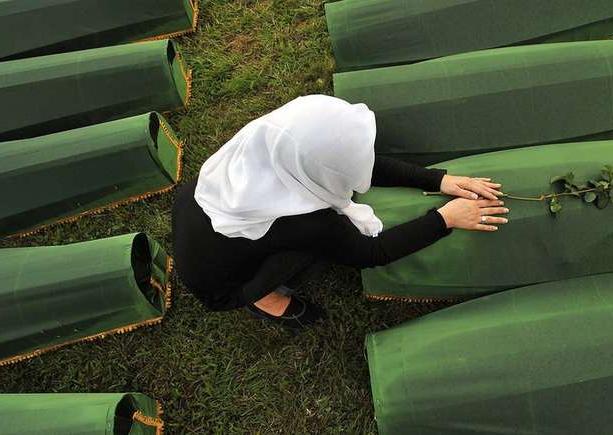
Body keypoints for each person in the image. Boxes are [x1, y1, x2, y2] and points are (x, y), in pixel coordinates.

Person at [172, 95, 508, 328]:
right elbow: (371, 253)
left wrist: (438, 180)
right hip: (221, 286)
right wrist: (445, 218)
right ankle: (261, 297)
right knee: (315, 251)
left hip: (200, 219)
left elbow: (352, 164)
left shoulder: (264, 148)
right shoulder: (308, 224)